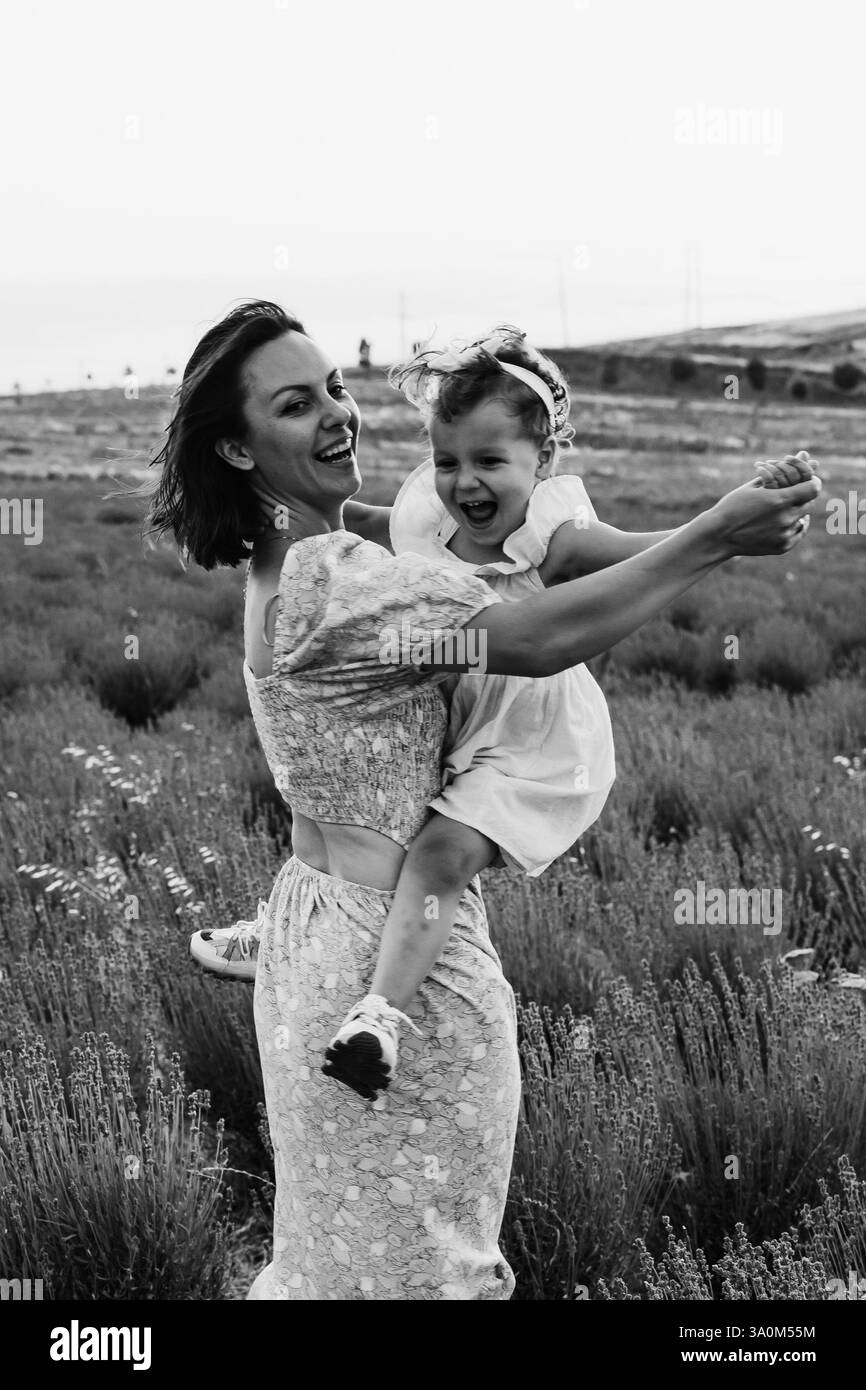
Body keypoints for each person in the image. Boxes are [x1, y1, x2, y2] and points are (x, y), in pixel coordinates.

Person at [149, 300, 818, 1300]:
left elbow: (498, 570)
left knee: (340, 1256)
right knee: (427, 1263)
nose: (337, 414)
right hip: (396, 960)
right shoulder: (333, 582)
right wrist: (715, 532)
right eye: (295, 404)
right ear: (239, 451)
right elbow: (539, 638)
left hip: (309, 929)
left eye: (334, 387)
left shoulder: (285, 565)